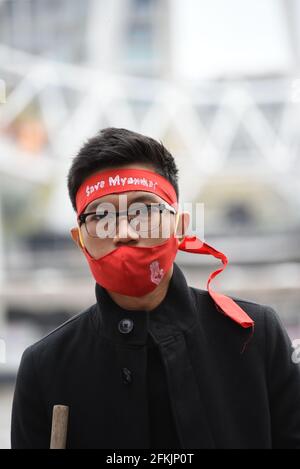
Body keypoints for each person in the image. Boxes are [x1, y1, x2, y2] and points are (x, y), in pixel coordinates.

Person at [11, 128, 300, 448]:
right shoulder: (45, 367)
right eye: (101, 215)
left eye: (145, 210)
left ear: (180, 227)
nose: (123, 231)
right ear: (80, 240)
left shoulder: (256, 336)